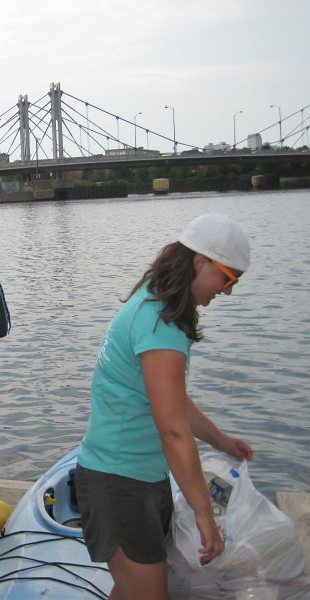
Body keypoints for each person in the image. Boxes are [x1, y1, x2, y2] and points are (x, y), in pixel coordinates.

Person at [75, 213, 255, 600]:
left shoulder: (153, 306)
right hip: (119, 483)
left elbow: (173, 401)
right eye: (228, 277)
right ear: (201, 261)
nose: (228, 291)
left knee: (130, 590)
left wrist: (219, 440)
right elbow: (172, 429)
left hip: (134, 476)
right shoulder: (159, 325)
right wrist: (205, 514)